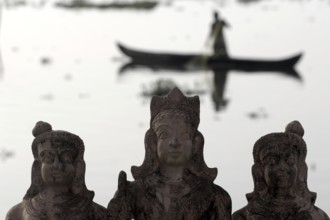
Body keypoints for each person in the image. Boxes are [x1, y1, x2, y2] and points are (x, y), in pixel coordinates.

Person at [107, 87, 232, 220]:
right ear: (152, 143)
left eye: (184, 135)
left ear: (195, 144)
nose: (174, 142)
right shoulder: (133, 193)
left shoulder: (215, 196)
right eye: (165, 135)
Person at [6, 121, 108, 220]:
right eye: (48, 158)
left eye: (66, 158)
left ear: (77, 167)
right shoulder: (17, 213)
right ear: (37, 167)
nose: (57, 165)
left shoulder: (95, 212)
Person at [232, 121, 329, 220]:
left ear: (301, 170)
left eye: (290, 161)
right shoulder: (242, 217)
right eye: (273, 162)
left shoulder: (318, 216)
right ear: (259, 172)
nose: (282, 167)